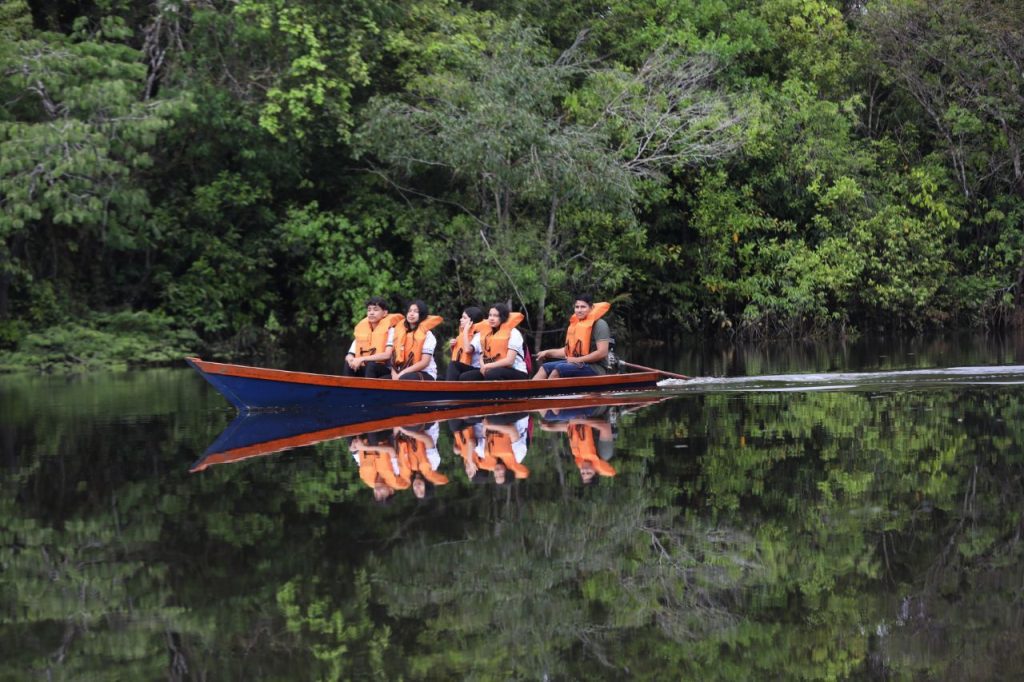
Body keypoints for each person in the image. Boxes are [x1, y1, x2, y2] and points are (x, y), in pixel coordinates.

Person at [533, 295, 611, 380]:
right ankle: (530, 392)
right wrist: (548, 352)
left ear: (591, 308)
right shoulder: (576, 324)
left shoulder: (600, 324)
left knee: (558, 370)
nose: (579, 310)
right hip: (578, 363)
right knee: (544, 368)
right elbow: (567, 351)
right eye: (577, 307)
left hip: (596, 368)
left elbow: (602, 352)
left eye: (583, 307)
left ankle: (549, 392)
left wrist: (577, 360)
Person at [540, 407, 616, 485]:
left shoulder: (580, 456)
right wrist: (581, 421)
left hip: (581, 416)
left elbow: (571, 429)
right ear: (596, 471)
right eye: (588, 473)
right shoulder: (605, 454)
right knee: (552, 414)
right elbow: (605, 427)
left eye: (583, 473)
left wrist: (550, 428)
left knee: (546, 416)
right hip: (595, 411)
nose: (584, 470)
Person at [458, 303, 528, 381]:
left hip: (517, 372)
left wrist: (488, 366)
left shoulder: (514, 333)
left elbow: (510, 361)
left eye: (495, 316)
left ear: (503, 317)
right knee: (465, 377)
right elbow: (482, 355)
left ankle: (496, 393)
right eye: (490, 315)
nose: (491, 318)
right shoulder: (487, 334)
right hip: (492, 369)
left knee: (492, 374)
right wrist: (483, 367)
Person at [343, 297, 404, 378]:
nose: (371, 313)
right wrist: (350, 359)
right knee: (348, 364)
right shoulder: (363, 331)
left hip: (384, 370)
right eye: (369, 310)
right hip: (365, 367)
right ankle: (347, 389)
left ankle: (368, 390)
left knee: (371, 365)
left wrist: (362, 359)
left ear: (385, 313)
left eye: (376, 310)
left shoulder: (391, 330)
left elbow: (387, 355)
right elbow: (350, 354)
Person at [350, 430, 410, 503]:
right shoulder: (396, 475)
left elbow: (358, 458)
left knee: (350, 441)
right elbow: (390, 450)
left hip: (364, 442)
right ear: (391, 491)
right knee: (373, 440)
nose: (377, 492)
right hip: (383, 438)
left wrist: (353, 448)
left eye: (376, 495)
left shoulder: (367, 479)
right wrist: (365, 448)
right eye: (382, 495)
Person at [391, 300, 444, 380]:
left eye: (416, 312)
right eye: (409, 311)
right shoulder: (399, 333)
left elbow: (424, 362)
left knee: (405, 378)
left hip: (425, 372)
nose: (411, 314)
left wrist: (403, 373)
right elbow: (394, 358)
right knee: (384, 378)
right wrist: (394, 374)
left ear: (421, 315)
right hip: (401, 372)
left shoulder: (428, 335)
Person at [395, 422, 447, 498]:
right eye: (421, 491)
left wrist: (397, 430)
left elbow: (397, 442)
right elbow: (427, 439)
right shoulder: (433, 465)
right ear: (427, 485)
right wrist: (407, 432)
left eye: (416, 491)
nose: (417, 488)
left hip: (407, 431)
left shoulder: (406, 471)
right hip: (427, 426)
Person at [476, 413, 530, 484]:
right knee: (493, 418)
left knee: (472, 419)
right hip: (516, 417)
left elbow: (486, 435)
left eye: (496, 476)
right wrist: (489, 426)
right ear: (508, 472)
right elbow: (512, 430)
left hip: (498, 420)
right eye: (501, 475)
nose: (497, 472)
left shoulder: (490, 456)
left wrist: (485, 427)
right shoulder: (518, 455)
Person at [446, 306, 485, 380]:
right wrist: (453, 347)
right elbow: (459, 356)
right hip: (468, 367)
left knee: (457, 369)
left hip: (478, 369)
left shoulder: (479, 336)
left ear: (471, 321)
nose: (461, 320)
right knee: (442, 376)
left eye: (464, 318)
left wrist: (465, 331)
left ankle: (449, 390)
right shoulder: (464, 334)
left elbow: (467, 350)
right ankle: (449, 388)